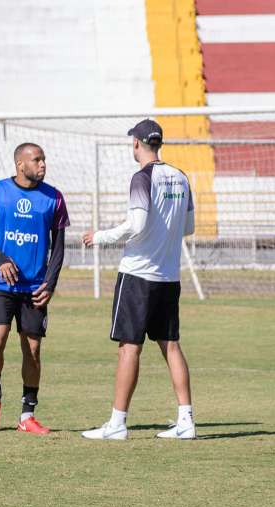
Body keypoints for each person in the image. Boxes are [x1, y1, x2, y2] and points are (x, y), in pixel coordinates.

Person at [81, 119, 196, 440]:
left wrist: (100, 236)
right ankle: (186, 420)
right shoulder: (181, 177)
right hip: (168, 277)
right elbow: (188, 228)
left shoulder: (142, 178)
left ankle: (117, 424)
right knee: (170, 345)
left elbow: (137, 224)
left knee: (129, 348)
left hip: (138, 275)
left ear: (136, 143)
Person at [0, 143, 68, 434]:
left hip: (34, 287)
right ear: (20, 164)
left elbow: (59, 247)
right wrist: (1, 259)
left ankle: (27, 416)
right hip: (0, 282)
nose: (42, 165)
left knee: (33, 350)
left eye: (44, 159)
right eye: (36, 160)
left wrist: (49, 284)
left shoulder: (54, 198)